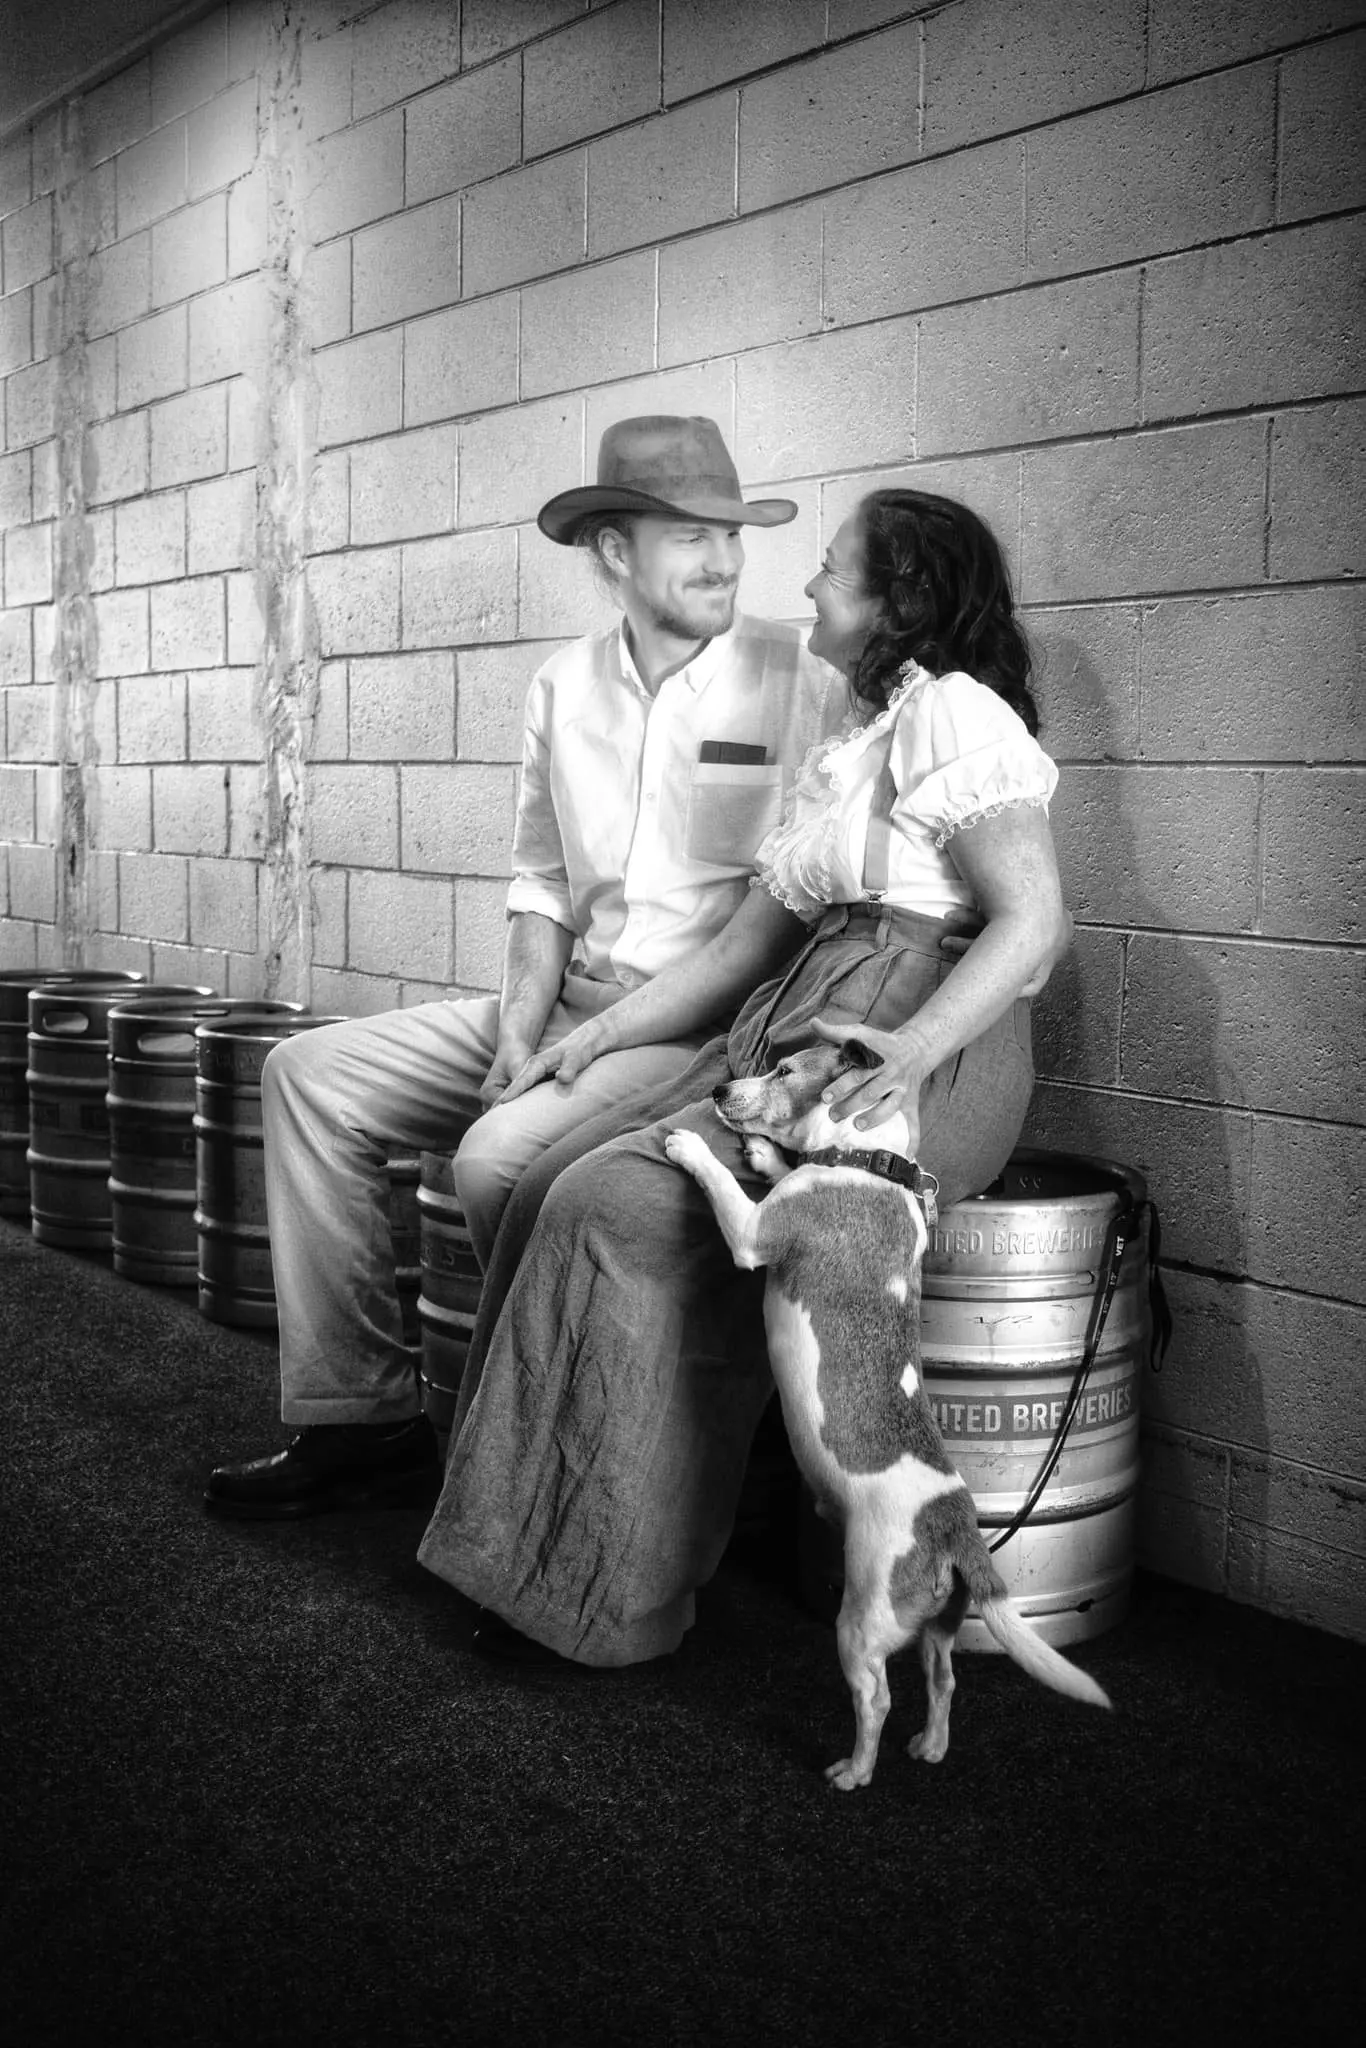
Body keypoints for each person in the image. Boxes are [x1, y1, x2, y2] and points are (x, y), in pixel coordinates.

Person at [415, 485, 1072, 1666]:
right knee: (546, 1179)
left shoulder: (954, 711)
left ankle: (606, 1596)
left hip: (907, 1044)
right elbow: (736, 953)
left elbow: (1033, 923)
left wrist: (912, 1050)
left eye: (832, 567)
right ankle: (528, 1554)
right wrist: (590, 1039)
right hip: (809, 1016)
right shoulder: (856, 741)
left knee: (615, 1207)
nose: (808, 585)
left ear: (900, 601)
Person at [204, 417, 846, 1519]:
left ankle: (576, 1457)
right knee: (305, 1076)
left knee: (494, 1160)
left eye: (732, 534)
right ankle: (364, 1422)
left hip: (695, 1031)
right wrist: (514, 1033)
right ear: (614, 552)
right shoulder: (563, 685)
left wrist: (575, 1045)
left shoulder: (801, 679)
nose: (725, 560)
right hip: (569, 1003)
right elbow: (542, 885)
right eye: (691, 535)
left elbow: (784, 922)